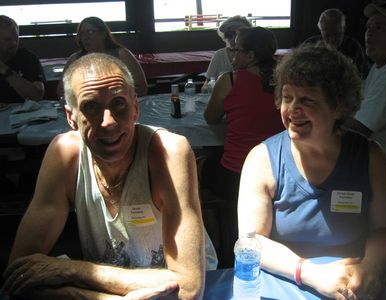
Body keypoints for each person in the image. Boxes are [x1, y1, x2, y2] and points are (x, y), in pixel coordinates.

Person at [2, 53, 217, 299]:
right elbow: (19, 272)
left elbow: (188, 287)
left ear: (135, 108)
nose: (108, 122)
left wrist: (71, 269)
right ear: (71, 117)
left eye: (118, 103)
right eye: (91, 106)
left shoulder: (168, 152)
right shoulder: (64, 154)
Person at [238, 45, 386, 300]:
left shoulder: (369, 156)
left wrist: (370, 269)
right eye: (287, 97)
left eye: (307, 100)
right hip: (288, 282)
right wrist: (309, 273)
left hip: (355, 283)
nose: (292, 109)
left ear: (338, 107)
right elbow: (251, 240)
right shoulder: (262, 158)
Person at [202, 27, 284, 268]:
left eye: (236, 50)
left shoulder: (230, 80)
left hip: (235, 174)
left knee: (200, 168)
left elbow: (211, 117)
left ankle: (216, 241)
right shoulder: (285, 79)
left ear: (250, 56)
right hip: (278, 174)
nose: (232, 55)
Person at [347, 0, 386, 205]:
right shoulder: (380, 68)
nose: (369, 34)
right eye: (368, 28)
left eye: (379, 28)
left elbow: (359, 128)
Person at [57, 16, 147, 98]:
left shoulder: (121, 54)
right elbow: (61, 90)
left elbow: (141, 88)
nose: (85, 37)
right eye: (82, 34)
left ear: (103, 34)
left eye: (90, 32)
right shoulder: (75, 59)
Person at [303, 8, 370, 78]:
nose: (332, 39)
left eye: (337, 34)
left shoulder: (354, 48)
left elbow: (364, 76)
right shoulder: (310, 45)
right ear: (321, 31)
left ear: (344, 28)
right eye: (327, 35)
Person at [200, 15, 252, 93]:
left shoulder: (252, 55)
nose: (233, 38)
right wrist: (207, 88)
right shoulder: (219, 55)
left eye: (237, 34)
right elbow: (207, 83)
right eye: (229, 34)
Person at [0, 15, 45, 103]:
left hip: (23, 114)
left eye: (16, 37)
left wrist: (6, 71)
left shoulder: (27, 58)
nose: (14, 43)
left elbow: (37, 95)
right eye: (7, 39)